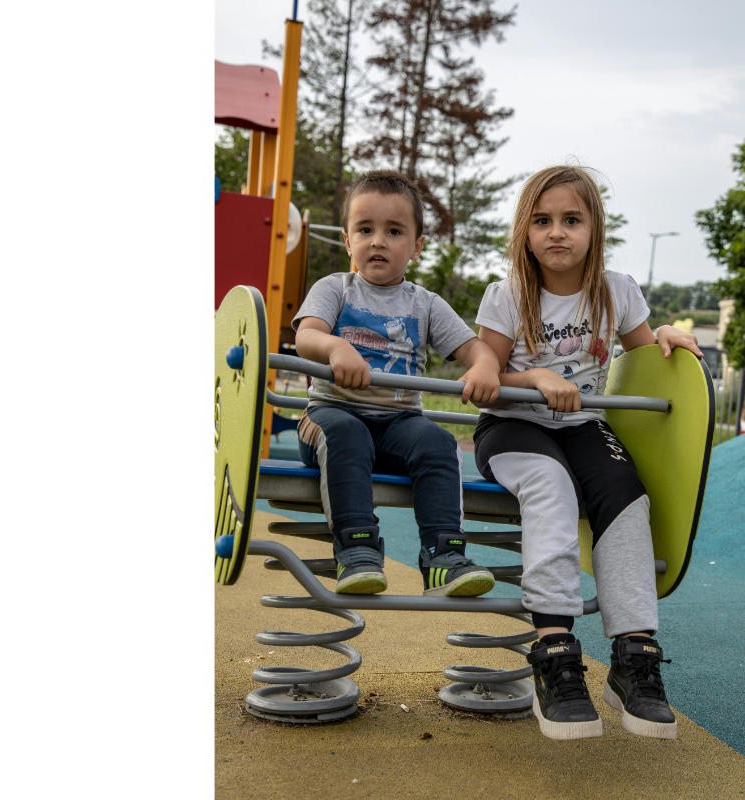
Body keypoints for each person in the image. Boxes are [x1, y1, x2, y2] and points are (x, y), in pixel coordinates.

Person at [473, 166, 704, 740]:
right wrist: (537, 378)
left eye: (571, 220)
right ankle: (553, 646)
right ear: (524, 232)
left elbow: (645, 354)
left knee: (626, 498)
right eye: (543, 220)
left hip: (583, 425)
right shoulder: (507, 296)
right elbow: (486, 373)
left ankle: (634, 655)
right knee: (551, 489)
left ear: (594, 228)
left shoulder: (616, 290)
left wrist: (669, 336)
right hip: (512, 426)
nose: (557, 232)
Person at [293, 170, 502, 598]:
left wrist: (484, 367)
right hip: (329, 416)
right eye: (365, 230)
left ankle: (443, 555)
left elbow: (475, 350)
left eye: (394, 231)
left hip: (396, 424)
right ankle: (357, 549)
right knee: (347, 434)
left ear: (416, 246)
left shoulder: (425, 304)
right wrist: (335, 347)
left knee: (438, 443)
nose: (378, 241)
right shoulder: (336, 289)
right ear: (349, 241)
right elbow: (305, 336)